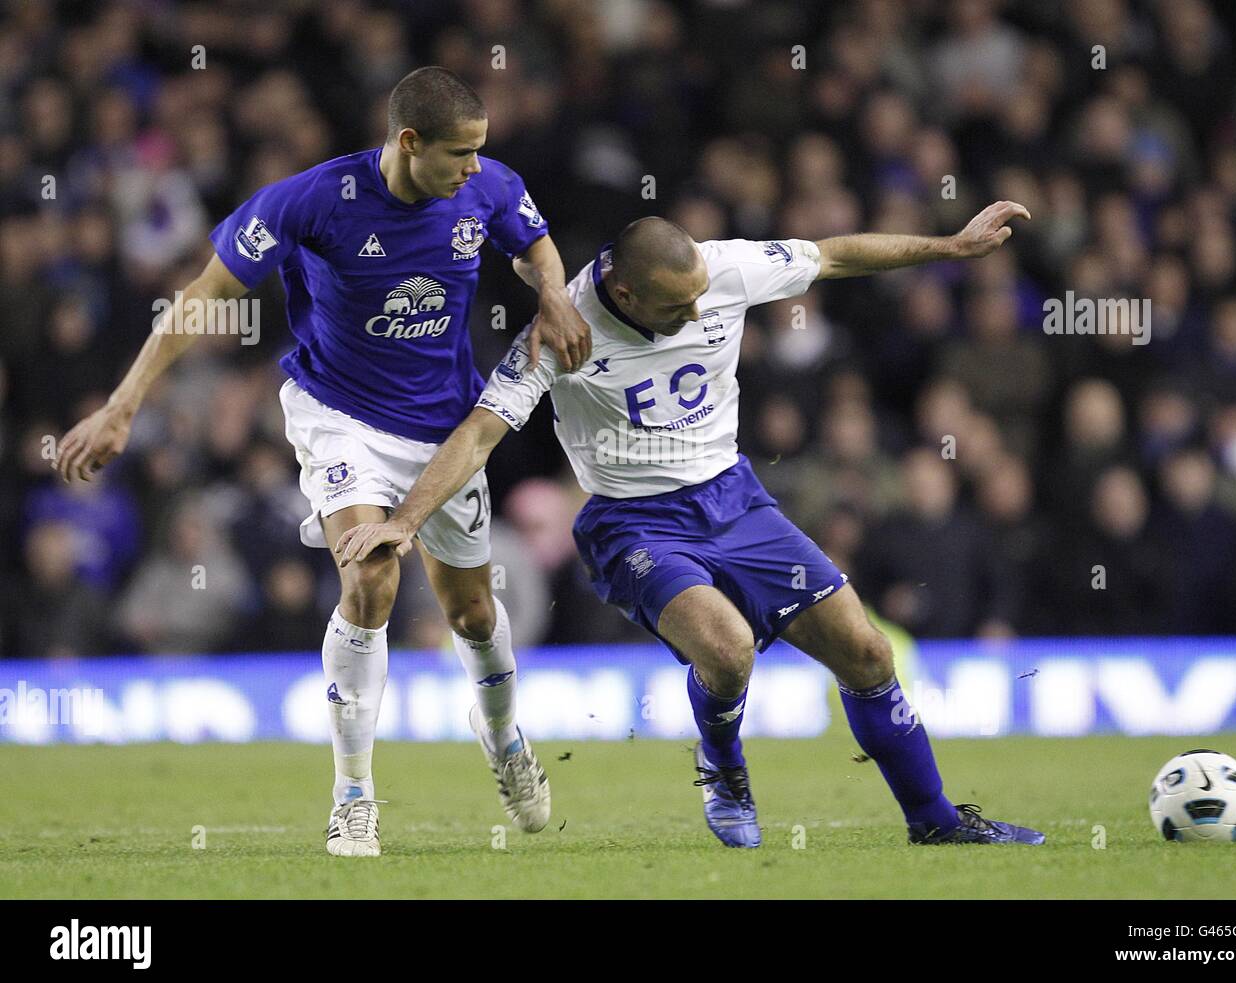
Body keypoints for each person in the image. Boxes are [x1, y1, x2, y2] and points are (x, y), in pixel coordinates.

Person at [334, 206, 1046, 848]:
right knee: (729, 649)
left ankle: (937, 822)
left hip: (735, 500)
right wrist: (405, 519)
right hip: (634, 524)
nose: (701, 306)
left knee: (866, 653)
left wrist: (950, 246)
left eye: (702, 291)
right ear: (625, 293)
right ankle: (723, 765)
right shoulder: (562, 331)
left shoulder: (722, 268)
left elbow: (833, 255)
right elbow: (480, 433)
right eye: (680, 304)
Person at [54, 67, 593, 857]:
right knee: (369, 578)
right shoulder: (309, 200)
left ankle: (504, 737)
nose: (475, 168)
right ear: (409, 143)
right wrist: (124, 402)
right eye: (460, 154)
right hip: (338, 415)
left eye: (480, 152)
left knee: (473, 614)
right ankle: (353, 793)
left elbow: (536, 241)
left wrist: (552, 293)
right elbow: (203, 293)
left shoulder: (487, 187)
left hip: (446, 428)